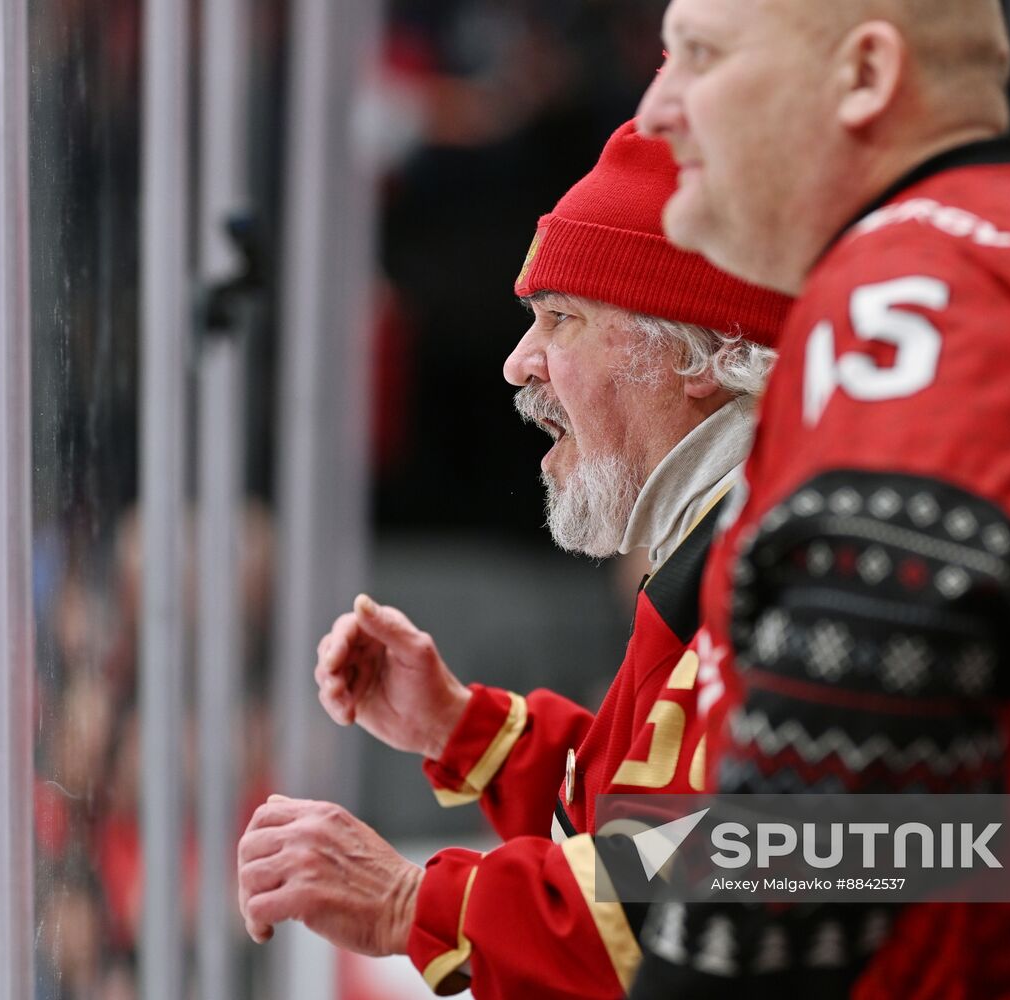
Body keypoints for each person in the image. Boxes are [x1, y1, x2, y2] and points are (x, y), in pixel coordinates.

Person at [628, 0, 1010, 996]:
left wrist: (705, 978)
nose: (656, 108)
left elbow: (866, 673)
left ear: (865, 76)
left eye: (697, 55)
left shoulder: (924, 276)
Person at [235, 120, 794, 998]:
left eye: (560, 320)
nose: (516, 363)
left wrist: (411, 901)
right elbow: (658, 817)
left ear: (692, 354)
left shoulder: (770, 564)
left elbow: (728, 887)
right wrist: (467, 729)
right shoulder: (727, 534)